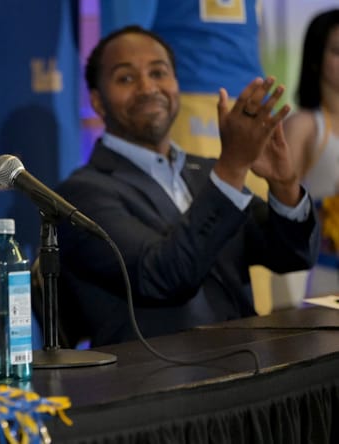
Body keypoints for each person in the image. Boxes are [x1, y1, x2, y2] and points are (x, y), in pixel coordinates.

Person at [54, 26, 319, 347]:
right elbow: (160, 276)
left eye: (158, 73)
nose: (147, 88)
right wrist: (232, 167)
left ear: (176, 85)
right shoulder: (80, 195)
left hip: (247, 362)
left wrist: (284, 184)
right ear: (98, 102)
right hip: (156, 374)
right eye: (126, 78)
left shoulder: (206, 173)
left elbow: (292, 256)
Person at [284, 9, 339, 297]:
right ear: (316, 59)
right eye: (337, 51)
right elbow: (281, 208)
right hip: (327, 280)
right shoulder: (303, 126)